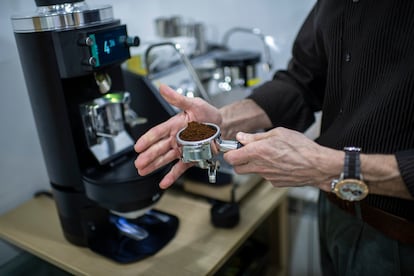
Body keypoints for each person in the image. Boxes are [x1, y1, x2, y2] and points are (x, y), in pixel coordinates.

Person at [134, 1, 414, 275]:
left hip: (399, 235)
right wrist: (222, 121)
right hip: (334, 210)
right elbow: (302, 81)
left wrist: (333, 167)